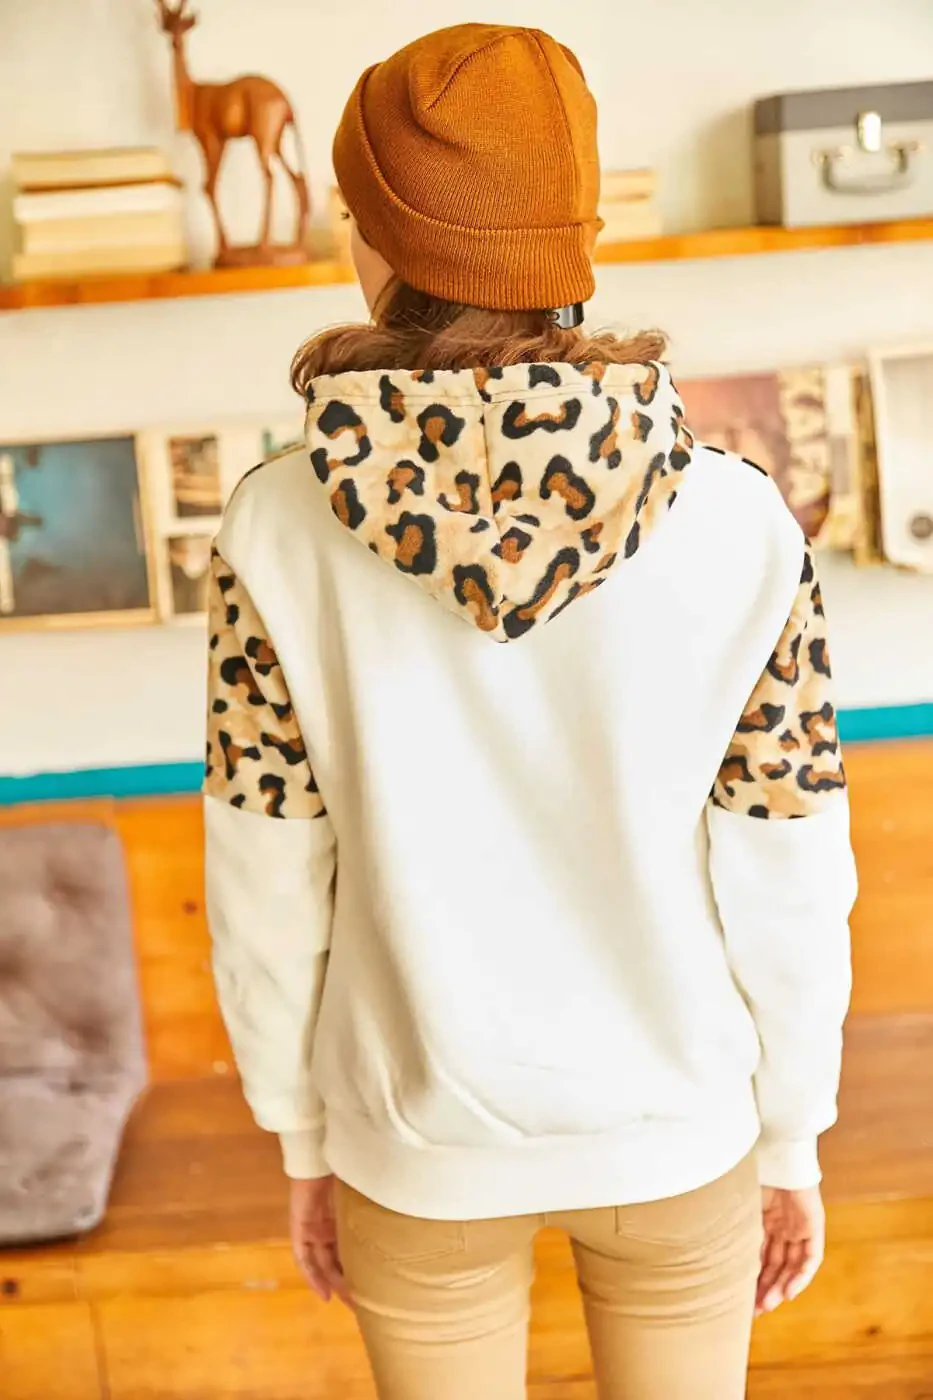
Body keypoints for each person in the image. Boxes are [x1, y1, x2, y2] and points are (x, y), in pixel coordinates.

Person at [203, 24, 857, 1400]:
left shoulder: (272, 527)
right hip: (678, 1135)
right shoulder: (742, 523)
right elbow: (790, 861)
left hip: (411, 1145)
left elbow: (264, 865)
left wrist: (303, 1139)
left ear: (381, 240)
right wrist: (793, 1136)